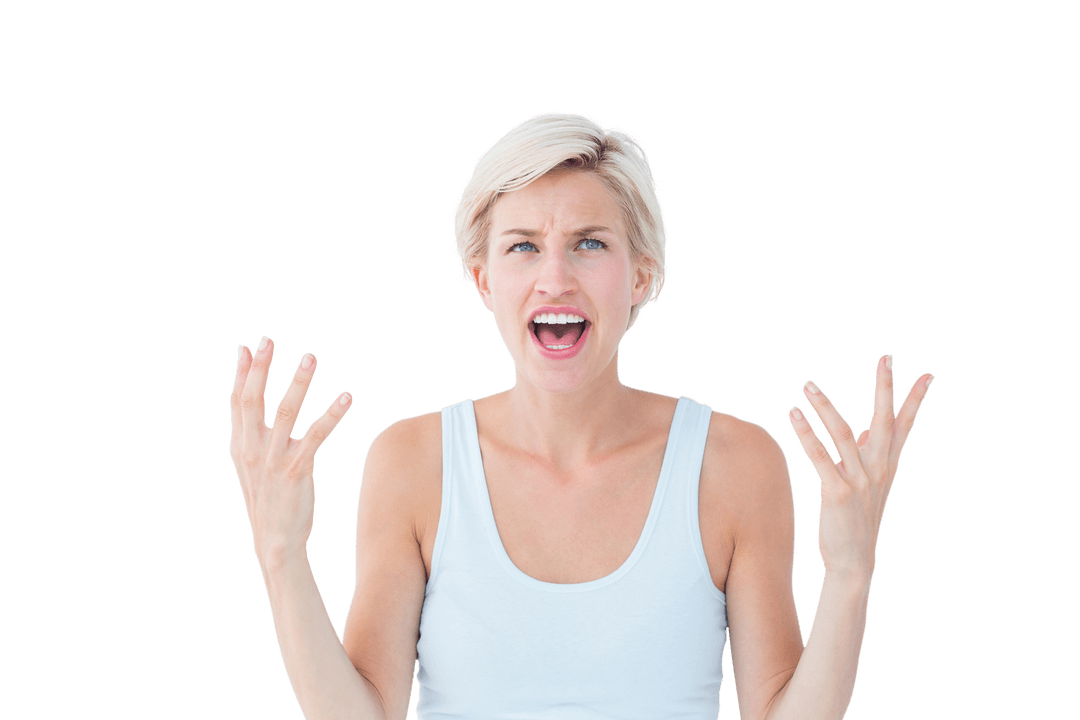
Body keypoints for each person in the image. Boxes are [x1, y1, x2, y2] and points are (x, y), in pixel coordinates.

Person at [227, 110, 935, 720]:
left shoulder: (735, 463)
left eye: (590, 243)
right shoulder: (412, 461)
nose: (554, 278)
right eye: (522, 247)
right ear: (483, 278)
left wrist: (848, 571)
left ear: (640, 276)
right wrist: (281, 553)